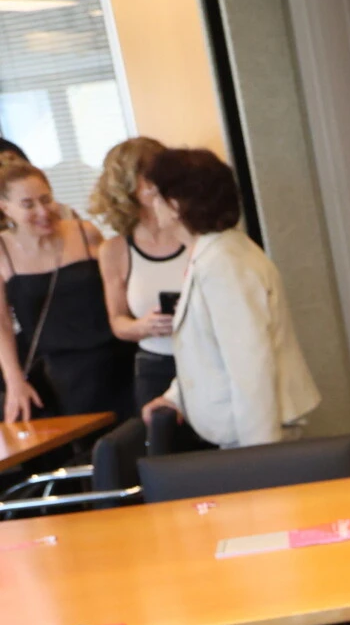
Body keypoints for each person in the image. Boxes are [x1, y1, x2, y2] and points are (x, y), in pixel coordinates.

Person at [137, 149, 319, 450]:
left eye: (157, 195)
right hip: (240, 430)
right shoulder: (212, 253)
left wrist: (258, 453)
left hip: (255, 432)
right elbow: (208, 349)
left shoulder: (223, 262)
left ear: (176, 204)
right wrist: (175, 397)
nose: (152, 205)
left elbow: (250, 363)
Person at [0, 158, 133, 426]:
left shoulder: (86, 234)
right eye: (28, 204)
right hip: (62, 374)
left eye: (46, 199)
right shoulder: (3, 252)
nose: (42, 210)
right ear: (5, 209)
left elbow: (123, 284)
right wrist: (14, 380)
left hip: (118, 358)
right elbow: (1, 324)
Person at [91, 136, 188, 413]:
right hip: (156, 366)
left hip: (208, 361)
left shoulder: (194, 234)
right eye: (145, 175)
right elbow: (117, 321)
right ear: (126, 185)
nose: (155, 182)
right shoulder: (115, 250)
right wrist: (143, 327)